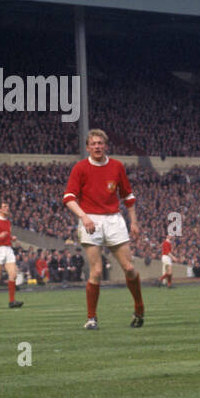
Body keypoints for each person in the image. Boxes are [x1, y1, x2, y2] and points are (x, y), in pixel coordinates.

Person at [62, 128, 144, 329]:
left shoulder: (116, 166)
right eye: (94, 144)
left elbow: (128, 196)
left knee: (130, 268)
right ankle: (91, 318)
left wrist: (133, 221)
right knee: (96, 271)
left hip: (114, 220)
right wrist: (84, 217)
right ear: (88, 147)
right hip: (91, 220)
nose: (97, 146)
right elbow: (68, 198)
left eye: (100, 143)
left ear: (105, 146)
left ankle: (139, 308)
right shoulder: (80, 168)